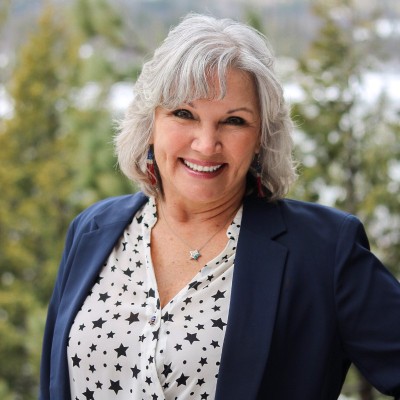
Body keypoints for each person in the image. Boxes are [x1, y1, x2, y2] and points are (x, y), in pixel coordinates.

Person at [39, 13, 400, 400]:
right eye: (184, 114)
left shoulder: (323, 250)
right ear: (150, 122)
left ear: (261, 138)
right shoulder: (93, 230)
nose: (206, 144)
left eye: (234, 121)